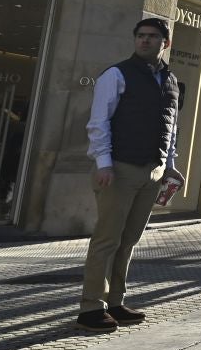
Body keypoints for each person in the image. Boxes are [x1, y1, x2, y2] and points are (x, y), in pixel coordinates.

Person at [78, 18, 185, 332]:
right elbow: (99, 121)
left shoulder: (171, 80)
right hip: (119, 168)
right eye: (140, 36)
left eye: (152, 37)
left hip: (153, 170)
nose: (145, 41)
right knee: (106, 239)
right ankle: (90, 307)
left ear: (165, 43)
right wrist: (104, 163)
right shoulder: (116, 74)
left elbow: (171, 128)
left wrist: (170, 165)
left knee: (129, 241)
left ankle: (115, 302)